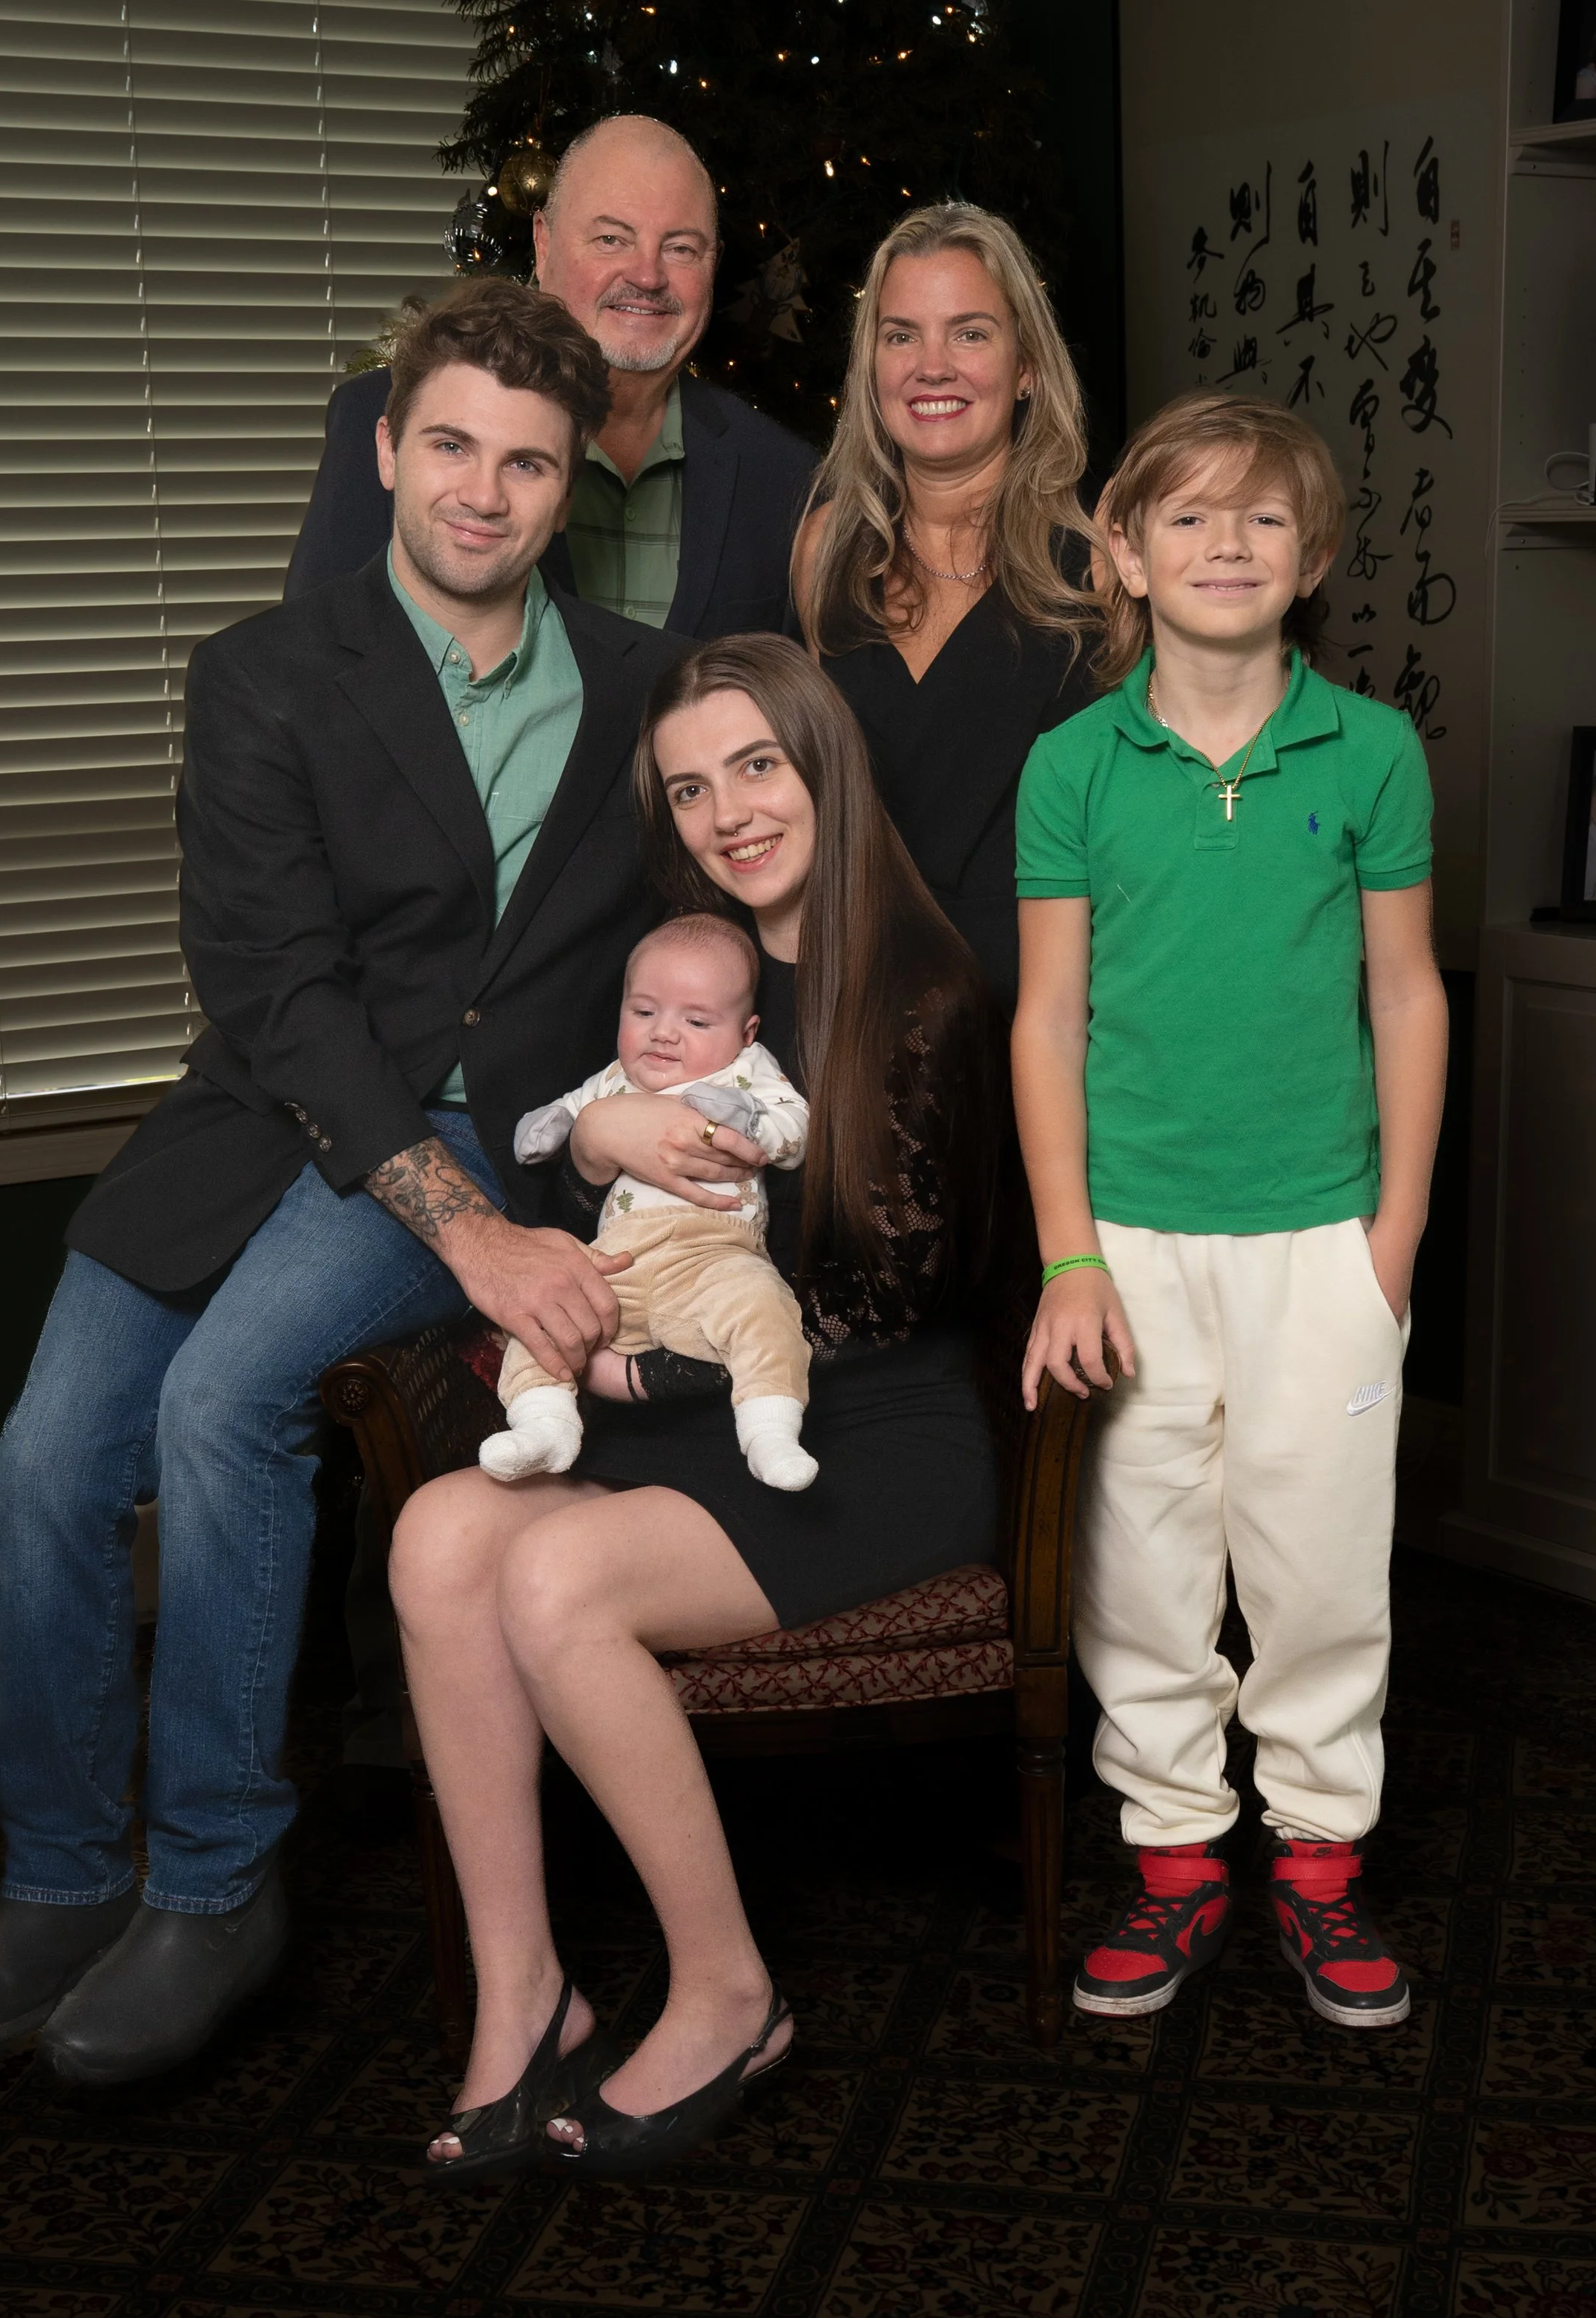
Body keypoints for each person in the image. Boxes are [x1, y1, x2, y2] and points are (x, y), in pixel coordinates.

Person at [0, 279, 704, 2087]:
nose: (482, 492)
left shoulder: (642, 687)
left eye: (525, 463)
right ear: (389, 450)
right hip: (267, 1118)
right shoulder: (262, 671)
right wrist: (470, 1237)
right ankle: (60, 1871)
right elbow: (277, 990)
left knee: (220, 1408)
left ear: (569, 486)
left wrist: (607, 1152)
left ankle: (213, 1882)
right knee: (44, 1461)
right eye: (451, 448)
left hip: (491, 1138)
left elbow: (724, 888)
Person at [388, 632, 1000, 2184]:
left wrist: (631, 1372)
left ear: (820, 764)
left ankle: (729, 1989)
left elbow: (881, 1305)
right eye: (688, 787)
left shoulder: (918, 986)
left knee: (554, 1574)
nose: (729, 811)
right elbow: (559, 1177)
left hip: (867, 1426)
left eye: (756, 765)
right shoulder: (678, 970)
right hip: (683, 1415)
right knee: (437, 1536)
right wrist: (603, 1144)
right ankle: (528, 1990)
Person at [1013, 392, 1449, 2029]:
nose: (1225, 543)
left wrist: (1392, 1237)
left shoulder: (1374, 750)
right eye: (1186, 516)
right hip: (1127, 1242)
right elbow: (1046, 1019)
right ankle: (1176, 1857)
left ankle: (1319, 1864)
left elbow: (1404, 995)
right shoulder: (1071, 765)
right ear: (1124, 554)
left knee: (1320, 1569)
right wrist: (1069, 1251)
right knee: (1138, 1570)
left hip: (1321, 1235)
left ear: (1312, 557)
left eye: (1263, 517)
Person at [286, 114, 817, 639]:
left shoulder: (784, 476)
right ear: (543, 243)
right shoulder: (393, 420)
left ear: (713, 263)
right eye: (611, 239)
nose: (648, 276)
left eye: (681, 248)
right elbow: (312, 661)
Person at [793, 203, 1101, 1015]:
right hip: (863, 1002)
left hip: (1050, 1012)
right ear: (871, 367)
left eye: (969, 333)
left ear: (1026, 366)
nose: (932, 367)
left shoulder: (1100, 563)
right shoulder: (823, 547)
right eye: (901, 336)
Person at [482, 912, 816, 1491]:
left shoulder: (748, 1072)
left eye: (696, 1020)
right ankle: (543, 1422)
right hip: (620, 1257)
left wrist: (753, 1121)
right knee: (549, 1309)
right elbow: (574, 1106)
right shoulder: (616, 1078)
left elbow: (795, 1127)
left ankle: (770, 1429)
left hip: (715, 1256)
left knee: (764, 1308)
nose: (664, 1033)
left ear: (746, 1033)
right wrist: (556, 1123)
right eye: (643, 1012)